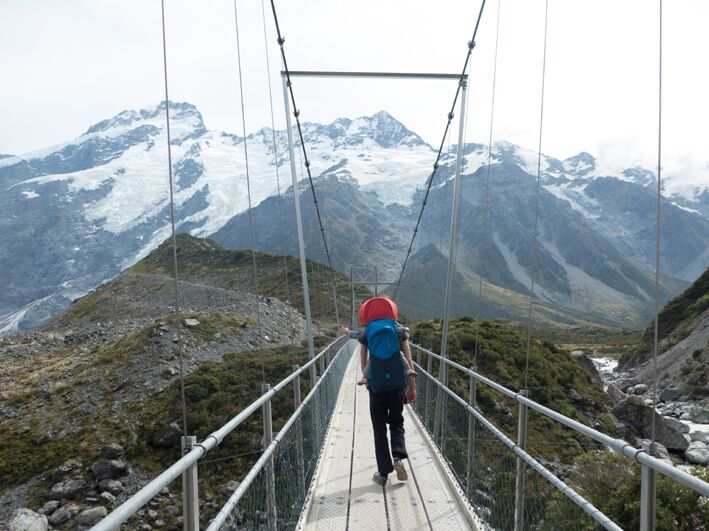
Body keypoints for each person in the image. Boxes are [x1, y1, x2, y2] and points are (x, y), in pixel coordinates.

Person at [340, 296, 417, 486]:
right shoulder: (399, 330)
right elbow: (408, 358)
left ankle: (383, 473)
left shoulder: (368, 332)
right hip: (397, 386)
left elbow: (364, 358)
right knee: (397, 422)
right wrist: (412, 387)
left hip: (377, 387)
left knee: (379, 428)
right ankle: (398, 457)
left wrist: (367, 380)